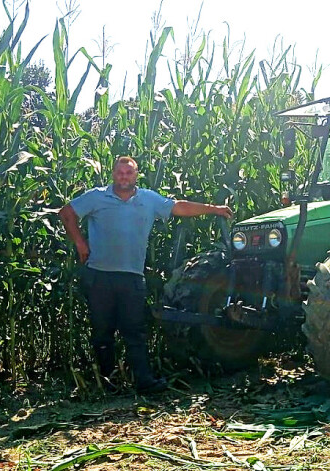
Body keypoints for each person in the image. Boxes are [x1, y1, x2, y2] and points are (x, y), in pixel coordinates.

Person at [59, 156, 233, 394]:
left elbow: (179, 207)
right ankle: (107, 383)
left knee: (135, 331)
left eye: (128, 173)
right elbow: (66, 213)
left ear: (136, 175)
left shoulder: (148, 199)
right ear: (113, 174)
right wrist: (80, 244)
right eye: (120, 172)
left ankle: (144, 381)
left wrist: (213, 209)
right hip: (100, 276)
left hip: (132, 277)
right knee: (102, 332)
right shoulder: (96, 197)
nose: (124, 177)